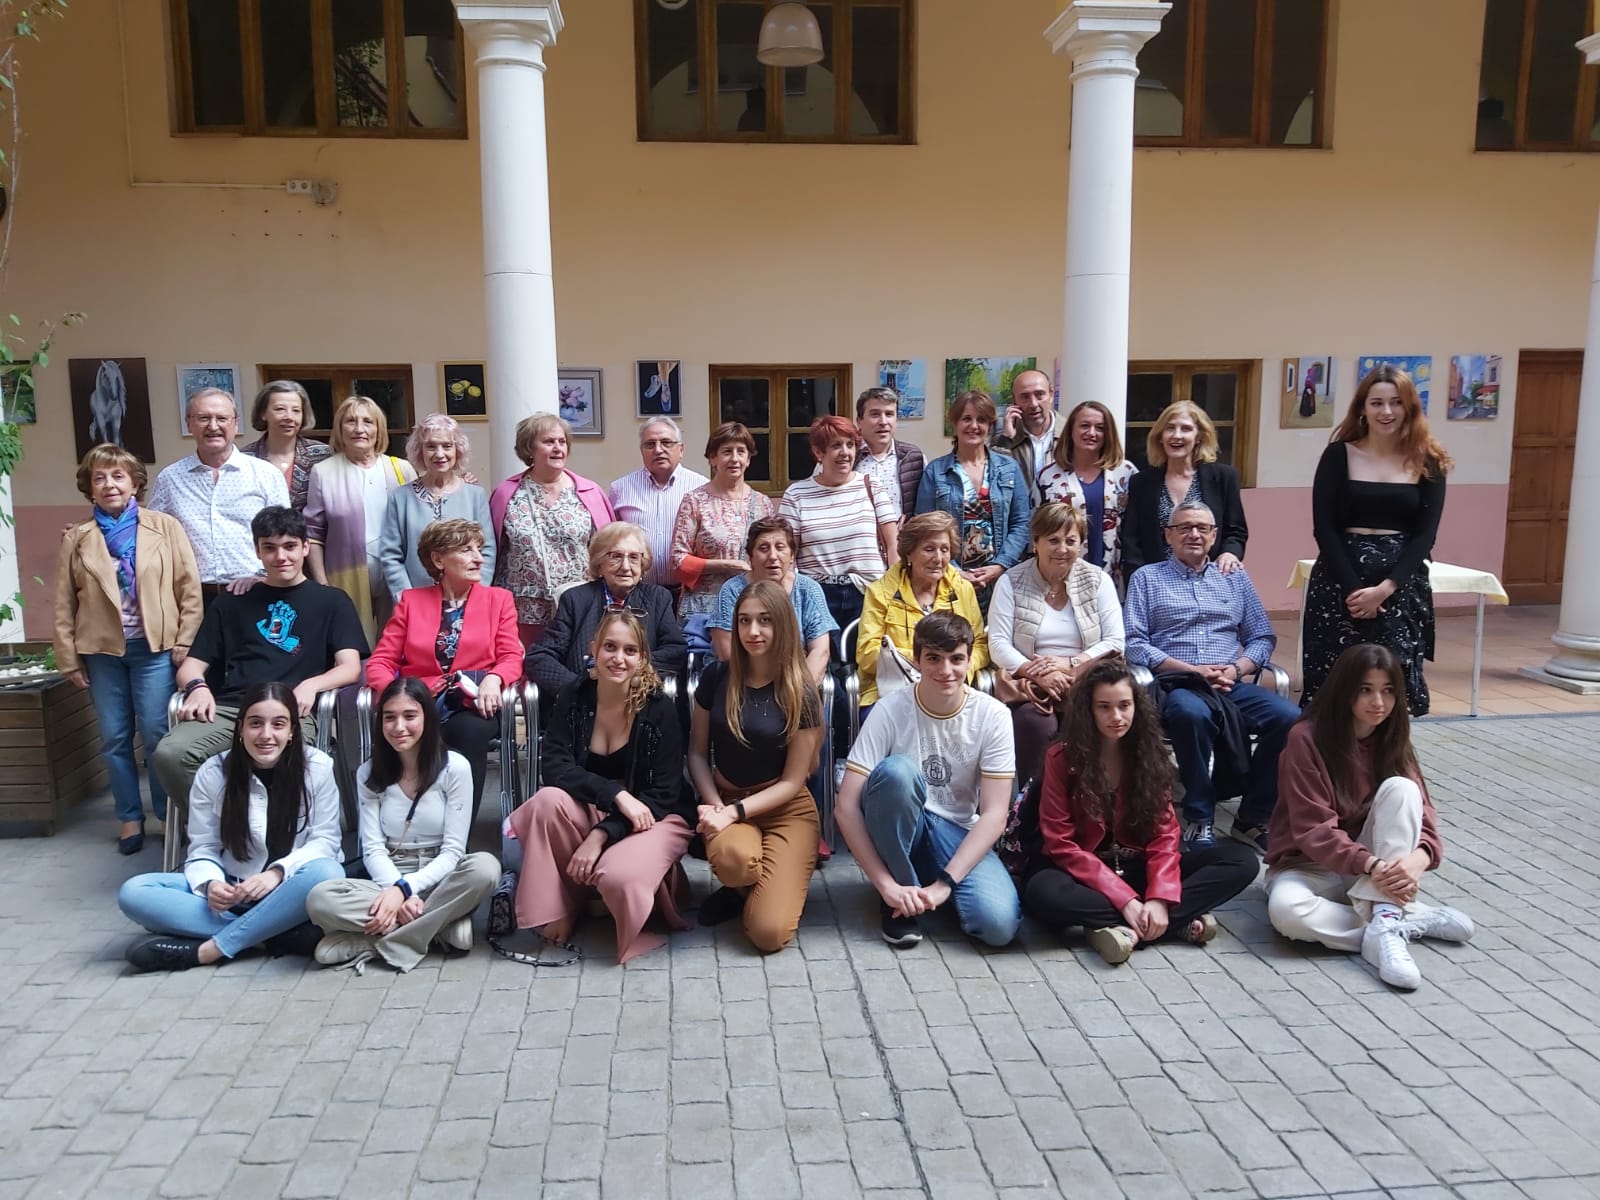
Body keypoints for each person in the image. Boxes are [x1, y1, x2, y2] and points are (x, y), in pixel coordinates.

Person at [1017, 659, 1259, 963]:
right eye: (1104, 707)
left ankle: (1128, 925)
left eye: (1124, 705)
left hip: (1138, 868)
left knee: (1241, 860)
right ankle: (1172, 921)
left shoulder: (1149, 754)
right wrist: (1125, 900)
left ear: (1136, 707)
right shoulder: (1061, 757)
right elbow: (1060, 844)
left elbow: (1165, 836)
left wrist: (1159, 896)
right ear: (1088, 711)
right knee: (1042, 895)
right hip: (1081, 874)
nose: (1116, 716)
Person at [1266, 644, 1474, 990]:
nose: (1378, 702)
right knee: (1287, 913)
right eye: (1366, 690)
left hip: (1370, 867)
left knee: (1401, 789)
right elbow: (1313, 829)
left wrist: (1418, 861)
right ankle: (1402, 922)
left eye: (1388, 690)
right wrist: (1378, 869)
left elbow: (1424, 815)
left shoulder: (1393, 738)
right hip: (1307, 865)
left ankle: (1387, 919)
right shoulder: (1306, 739)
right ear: (1344, 691)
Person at [153, 506, 367, 824]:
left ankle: (273, 840)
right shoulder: (233, 601)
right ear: (257, 550)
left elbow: (350, 667)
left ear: (306, 547)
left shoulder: (332, 601)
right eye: (270, 547)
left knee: (289, 760)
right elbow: (191, 665)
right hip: (231, 711)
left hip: (293, 712)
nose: (281, 556)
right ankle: (227, 830)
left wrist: (311, 684)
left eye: (290, 546)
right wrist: (198, 687)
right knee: (171, 755)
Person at [506, 608, 694, 963]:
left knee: (618, 877)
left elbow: (664, 794)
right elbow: (555, 767)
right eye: (609, 647)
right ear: (593, 647)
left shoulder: (660, 710)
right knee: (545, 802)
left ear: (642, 658)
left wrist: (602, 833)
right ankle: (562, 905)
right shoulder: (573, 696)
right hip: (602, 806)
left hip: (656, 816)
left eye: (629, 650)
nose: (618, 659)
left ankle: (637, 894)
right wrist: (615, 794)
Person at [117, 682, 344, 971]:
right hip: (235, 892)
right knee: (135, 891)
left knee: (328, 871)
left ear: (292, 732)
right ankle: (272, 935)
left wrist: (276, 874)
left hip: (294, 891)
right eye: (255, 724)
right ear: (239, 729)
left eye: (278, 724)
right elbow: (203, 848)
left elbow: (325, 842)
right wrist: (212, 884)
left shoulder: (318, 767)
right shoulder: (213, 773)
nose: (266, 735)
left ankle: (211, 949)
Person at [835, 611, 1021, 949]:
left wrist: (946, 884)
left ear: (969, 661)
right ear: (916, 660)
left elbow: (995, 813)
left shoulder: (993, 716)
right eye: (933, 658)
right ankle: (898, 899)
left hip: (957, 831)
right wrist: (884, 886)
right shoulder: (889, 709)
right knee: (897, 773)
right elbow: (845, 807)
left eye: (956, 659)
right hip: (904, 825)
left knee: (998, 926)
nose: (946, 670)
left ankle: (928, 889)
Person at [1124, 501, 1298, 855]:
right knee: (1191, 714)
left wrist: (1237, 669)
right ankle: (1200, 815)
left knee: (1290, 719)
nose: (1194, 534)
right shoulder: (1147, 577)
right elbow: (1134, 643)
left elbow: (1262, 636)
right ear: (1168, 535)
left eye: (1202, 528)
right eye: (1185, 527)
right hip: (1178, 683)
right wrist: (1190, 670)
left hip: (1229, 682)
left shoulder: (1234, 577)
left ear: (1215, 536)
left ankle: (1252, 816)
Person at [54, 445, 203, 854]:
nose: (110, 485)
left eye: (118, 476)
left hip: (155, 650)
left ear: (136, 482)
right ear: (90, 488)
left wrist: (185, 639)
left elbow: (188, 588)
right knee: (115, 737)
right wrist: (68, 658)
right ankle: (128, 817)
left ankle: (166, 813)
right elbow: (65, 602)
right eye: (100, 478)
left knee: (157, 734)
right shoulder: (79, 538)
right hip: (101, 653)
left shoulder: (164, 527)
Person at [306, 677, 500, 972]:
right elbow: (371, 848)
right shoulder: (369, 773)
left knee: (486, 868)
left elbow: (453, 851)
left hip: (441, 876)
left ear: (427, 718)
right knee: (320, 900)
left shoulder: (455, 767)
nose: (399, 727)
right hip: (389, 872)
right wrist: (395, 888)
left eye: (410, 716)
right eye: (390, 717)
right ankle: (441, 928)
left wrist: (404, 891)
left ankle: (374, 942)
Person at [1302, 365, 1452, 715]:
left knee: (1390, 685)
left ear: (1410, 408)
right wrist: (1355, 592)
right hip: (1340, 584)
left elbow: (1425, 535)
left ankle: (1386, 766)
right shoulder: (1338, 455)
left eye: (1396, 403)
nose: (1386, 412)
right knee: (1335, 684)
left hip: (1398, 588)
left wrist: (1384, 589)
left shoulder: (1429, 460)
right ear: (1362, 408)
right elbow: (1324, 528)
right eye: (1377, 403)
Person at [689, 581, 824, 953]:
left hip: (786, 808)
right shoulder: (717, 677)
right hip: (726, 797)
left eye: (764, 620)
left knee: (768, 934)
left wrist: (733, 813)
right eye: (744, 621)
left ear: (782, 624)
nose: (753, 631)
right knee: (735, 860)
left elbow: (795, 780)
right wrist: (716, 805)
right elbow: (698, 754)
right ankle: (743, 885)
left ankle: (776, 878)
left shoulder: (801, 690)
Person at [366, 519, 521, 815]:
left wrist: (494, 678)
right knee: (403, 726)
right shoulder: (411, 602)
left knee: (469, 731)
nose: (478, 557)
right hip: (421, 702)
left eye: (480, 549)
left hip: (472, 701)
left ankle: (458, 833)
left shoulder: (499, 600)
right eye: (465, 550)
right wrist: (396, 697)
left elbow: (512, 655)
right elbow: (381, 661)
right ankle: (405, 823)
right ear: (438, 559)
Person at [988, 503, 1124, 791]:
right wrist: (1035, 672)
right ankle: (1032, 810)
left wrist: (1070, 665)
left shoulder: (1099, 580)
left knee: (1099, 714)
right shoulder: (1010, 582)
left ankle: (1094, 805)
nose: (1062, 548)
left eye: (1071, 540)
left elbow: (1115, 641)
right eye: (1053, 540)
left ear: (1081, 545)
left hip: (1086, 680)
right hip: (1031, 684)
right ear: (1035, 542)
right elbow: (998, 643)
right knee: (1034, 722)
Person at [149, 387, 291, 605]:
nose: (213, 426)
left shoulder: (266, 474)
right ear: (189, 424)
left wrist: (262, 575)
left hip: (256, 593)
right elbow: (153, 537)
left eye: (222, 418)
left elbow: (285, 535)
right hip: (191, 599)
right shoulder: (170, 479)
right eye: (203, 418)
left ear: (235, 423)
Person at [490, 414, 615, 646]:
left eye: (562, 441)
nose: (558, 448)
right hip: (522, 607)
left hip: (579, 604)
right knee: (526, 674)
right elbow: (492, 550)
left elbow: (609, 549)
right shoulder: (506, 493)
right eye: (549, 442)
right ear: (529, 448)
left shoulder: (589, 492)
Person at [525, 521, 687, 699]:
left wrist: (630, 671)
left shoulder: (658, 598)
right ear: (599, 563)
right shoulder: (575, 599)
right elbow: (539, 657)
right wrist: (577, 690)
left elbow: (675, 650)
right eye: (616, 556)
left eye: (634, 557)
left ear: (643, 564)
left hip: (637, 699)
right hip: (581, 704)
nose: (625, 566)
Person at [304, 395, 416, 642]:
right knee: (353, 645)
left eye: (368, 422)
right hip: (344, 576)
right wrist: (322, 584)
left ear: (379, 428)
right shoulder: (323, 472)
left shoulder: (401, 469)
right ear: (339, 428)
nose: (359, 429)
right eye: (350, 421)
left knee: (398, 644)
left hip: (395, 573)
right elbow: (313, 534)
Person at [856, 512, 988, 712]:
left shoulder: (962, 589)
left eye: (944, 549)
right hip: (892, 691)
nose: (938, 558)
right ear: (909, 554)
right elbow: (867, 653)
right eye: (929, 549)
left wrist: (959, 666)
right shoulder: (880, 592)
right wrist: (926, 661)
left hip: (951, 689)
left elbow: (980, 644)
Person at [916, 391, 1031, 614]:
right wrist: (955, 571)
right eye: (966, 419)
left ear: (990, 425)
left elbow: (1021, 522)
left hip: (1002, 578)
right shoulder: (936, 471)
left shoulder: (1009, 468)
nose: (974, 426)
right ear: (955, 424)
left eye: (981, 419)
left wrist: (1000, 565)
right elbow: (924, 528)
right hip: (949, 578)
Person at [779, 415, 898, 631]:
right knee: (821, 660)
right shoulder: (796, 494)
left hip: (868, 593)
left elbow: (893, 546)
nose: (845, 452)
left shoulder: (872, 486)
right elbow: (788, 555)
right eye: (836, 446)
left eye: (850, 445)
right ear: (818, 453)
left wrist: (894, 590)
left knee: (867, 661)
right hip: (817, 595)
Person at [1122, 401, 1247, 579]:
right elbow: (1131, 539)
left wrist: (1230, 553)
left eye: (1186, 429)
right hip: (1157, 584)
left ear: (1199, 437)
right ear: (1160, 436)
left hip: (1210, 580)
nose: (1176, 435)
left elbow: (1236, 530)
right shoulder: (1141, 482)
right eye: (1170, 428)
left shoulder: (1224, 477)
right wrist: (1139, 579)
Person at [379, 413, 494, 598]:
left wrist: (477, 593)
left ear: (458, 450)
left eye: (447, 446)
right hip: (416, 600)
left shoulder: (475, 495)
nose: (439, 454)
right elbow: (391, 556)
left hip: (467, 598)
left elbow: (487, 550)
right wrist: (405, 598)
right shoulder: (400, 498)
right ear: (419, 450)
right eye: (431, 446)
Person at [669, 422, 774, 621]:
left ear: (748, 459)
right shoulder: (695, 501)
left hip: (752, 605)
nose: (734, 459)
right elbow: (678, 559)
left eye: (741, 451)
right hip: (704, 609)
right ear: (713, 459)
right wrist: (725, 565)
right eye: (727, 451)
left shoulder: (763, 504)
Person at [710, 516, 835, 683]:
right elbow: (728, 654)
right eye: (763, 548)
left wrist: (800, 692)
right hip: (743, 683)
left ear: (792, 555)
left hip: (799, 681)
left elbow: (820, 651)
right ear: (750, 557)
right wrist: (765, 694)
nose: (773, 556)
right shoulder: (732, 590)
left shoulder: (808, 589)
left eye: (780, 547)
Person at [1037, 400, 1139, 579]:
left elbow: (1137, 526)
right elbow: (1036, 529)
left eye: (1100, 428)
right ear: (1071, 430)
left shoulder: (1126, 473)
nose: (1092, 433)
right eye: (1084, 426)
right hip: (1061, 575)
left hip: (1114, 574)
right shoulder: (1047, 476)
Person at [609, 417, 708, 600]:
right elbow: (611, 543)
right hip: (636, 592)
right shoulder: (620, 489)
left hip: (688, 593)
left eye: (666, 442)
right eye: (650, 444)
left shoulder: (701, 488)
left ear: (681, 449)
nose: (658, 449)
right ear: (641, 451)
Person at [241, 380, 332, 511]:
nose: (289, 417)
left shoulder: (323, 455)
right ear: (263, 413)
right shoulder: (244, 459)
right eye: (280, 409)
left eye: (296, 410)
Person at [993, 368, 1064, 505]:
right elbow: (994, 485)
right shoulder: (1000, 438)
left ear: (1051, 394)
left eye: (1039, 395)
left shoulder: (1069, 434)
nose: (1033, 404)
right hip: (1019, 523)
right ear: (1014, 401)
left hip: (1060, 523)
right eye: (1025, 397)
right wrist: (1006, 440)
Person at [854, 386, 925, 524]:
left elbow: (924, 510)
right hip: (856, 543)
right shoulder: (845, 457)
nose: (883, 422)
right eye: (875, 414)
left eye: (889, 414)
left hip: (902, 543)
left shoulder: (914, 457)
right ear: (859, 421)